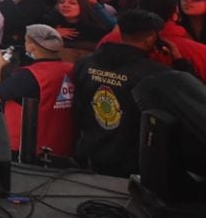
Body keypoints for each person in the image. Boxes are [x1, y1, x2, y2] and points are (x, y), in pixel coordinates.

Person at [74, 10, 174, 177]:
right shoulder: (155, 73)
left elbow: (78, 106)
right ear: (152, 37)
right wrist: (181, 63)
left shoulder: (86, 63)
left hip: (90, 151)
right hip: (131, 161)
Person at [0, 24, 76, 160]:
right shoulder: (72, 69)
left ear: (32, 47)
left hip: (27, 149)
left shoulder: (29, 75)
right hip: (62, 145)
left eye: (26, 41)